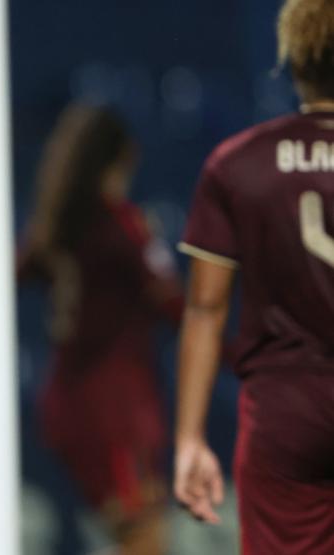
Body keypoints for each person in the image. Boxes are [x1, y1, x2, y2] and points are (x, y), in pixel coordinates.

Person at [173, 0, 334, 551]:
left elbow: (205, 308)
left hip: (283, 410)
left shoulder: (238, 162)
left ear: (293, 62)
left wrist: (190, 438)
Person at [19, 105, 182, 554]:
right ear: (123, 158)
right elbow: (176, 305)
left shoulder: (53, 229)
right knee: (145, 541)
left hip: (66, 408)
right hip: (117, 412)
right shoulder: (124, 226)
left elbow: (8, 276)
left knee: (119, 536)